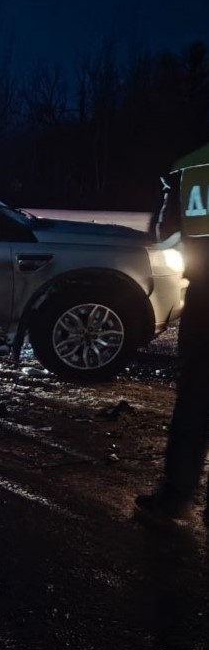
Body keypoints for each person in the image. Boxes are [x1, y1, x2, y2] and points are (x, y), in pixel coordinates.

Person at [136, 166, 209, 524]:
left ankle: (177, 496)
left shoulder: (199, 170)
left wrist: (170, 192)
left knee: (196, 400)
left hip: (207, 301)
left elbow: (166, 236)